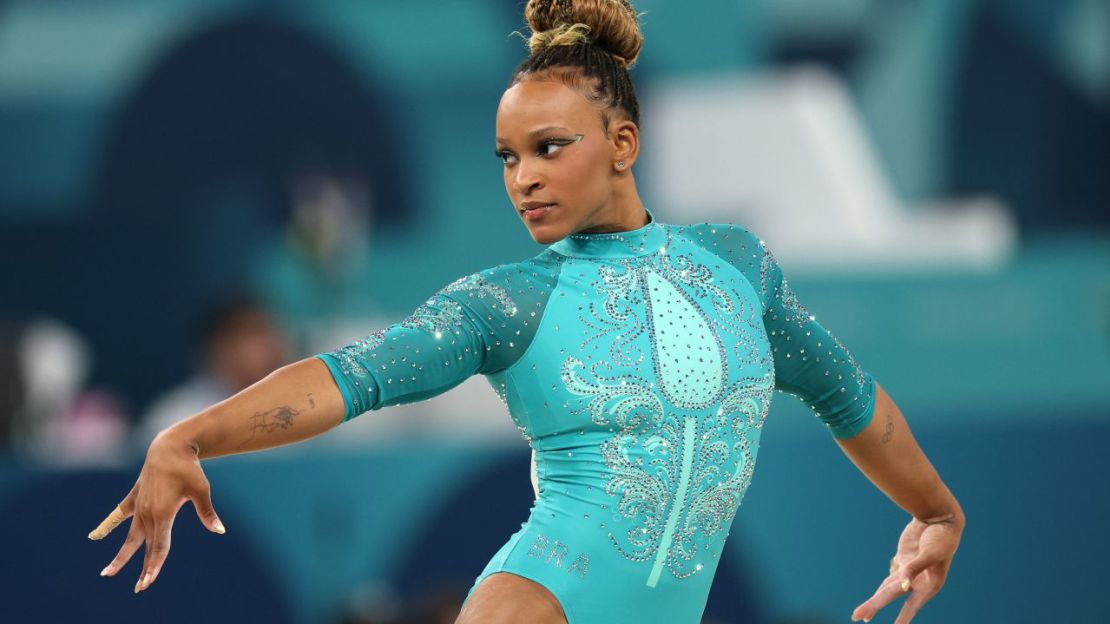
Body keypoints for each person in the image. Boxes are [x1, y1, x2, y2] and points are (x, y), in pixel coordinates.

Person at [88, 2, 965, 623]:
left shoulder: (737, 267)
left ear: (624, 143)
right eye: (508, 157)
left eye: (550, 148)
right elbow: (351, 378)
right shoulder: (511, 301)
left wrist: (935, 514)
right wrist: (192, 435)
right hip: (536, 603)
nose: (525, 178)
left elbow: (850, 397)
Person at [132, 296, 288, 451]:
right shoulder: (174, 420)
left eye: (273, 332)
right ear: (220, 347)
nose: (272, 345)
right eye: (256, 334)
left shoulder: (297, 409)